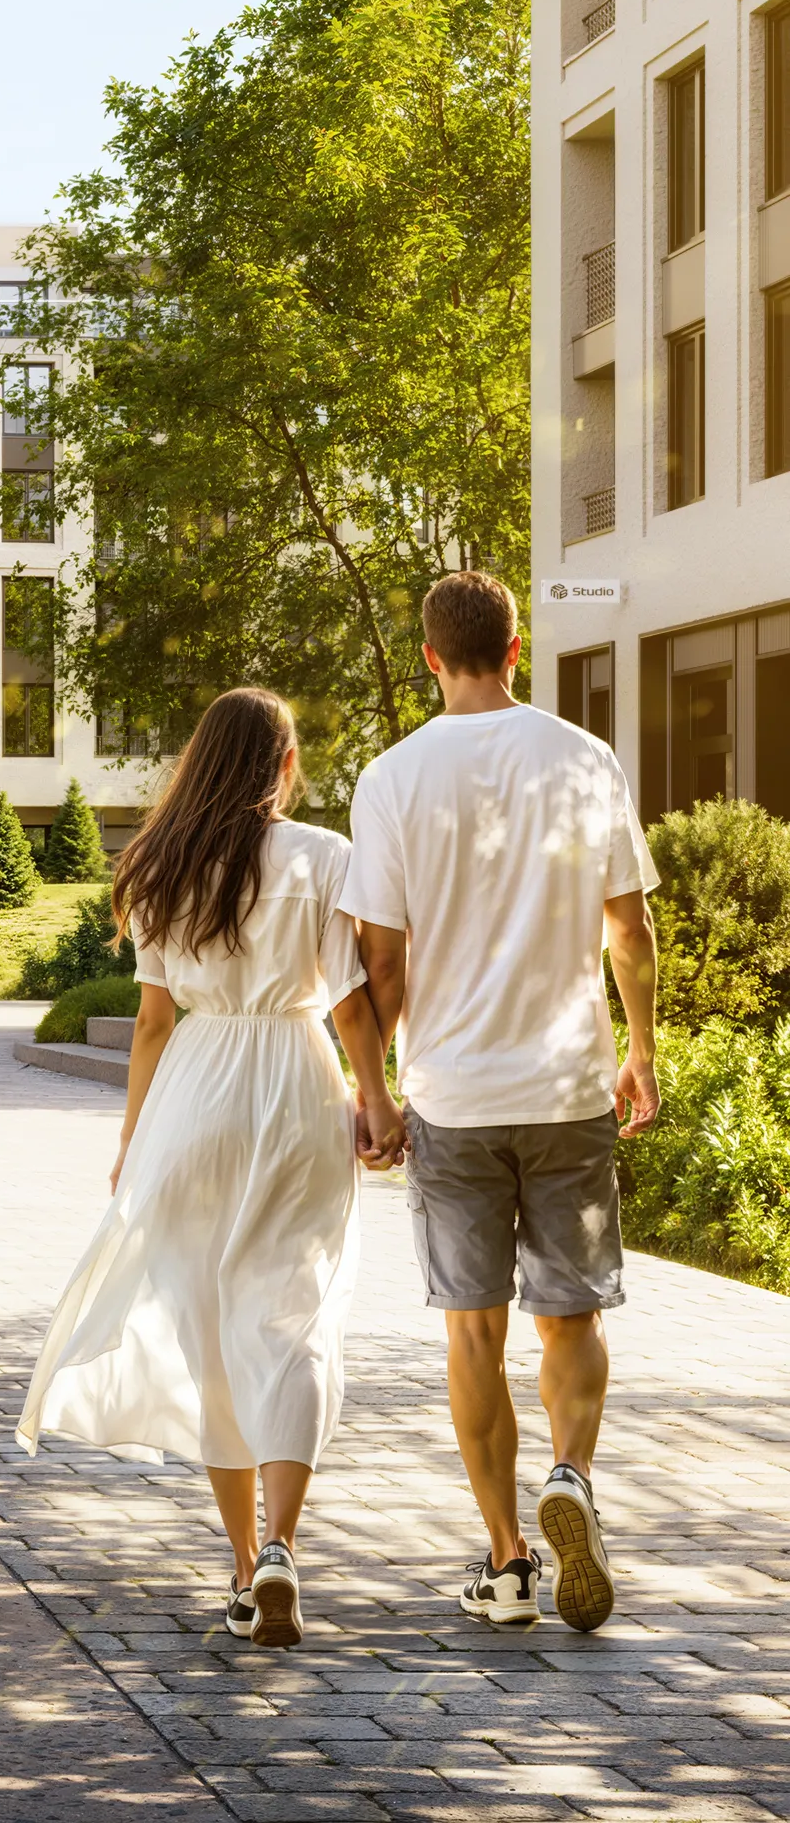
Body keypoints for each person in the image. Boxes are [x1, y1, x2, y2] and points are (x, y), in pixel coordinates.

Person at [19, 686, 399, 1648]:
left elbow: (151, 1023)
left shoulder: (156, 864)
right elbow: (351, 1006)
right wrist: (377, 1097)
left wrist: (131, 1136)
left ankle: (239, 1568)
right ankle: (280, 1548)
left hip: (194, 1092)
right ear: (281, 764)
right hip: (296, 1085)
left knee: (211, 1336)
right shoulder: (322, 858)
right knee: (297, 1317)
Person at [347, 571, 659, 1634]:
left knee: (471, 1332)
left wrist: (372, 1090)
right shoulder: (583, 756)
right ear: (513, 647)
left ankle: (506, 1562)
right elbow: (627, 928)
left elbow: (378, 962)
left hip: (451, 1093)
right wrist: (643, 1051)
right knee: (567, 1313)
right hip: (567, 1082)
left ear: (429, 655)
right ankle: (568, 1473)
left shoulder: (389, 776)